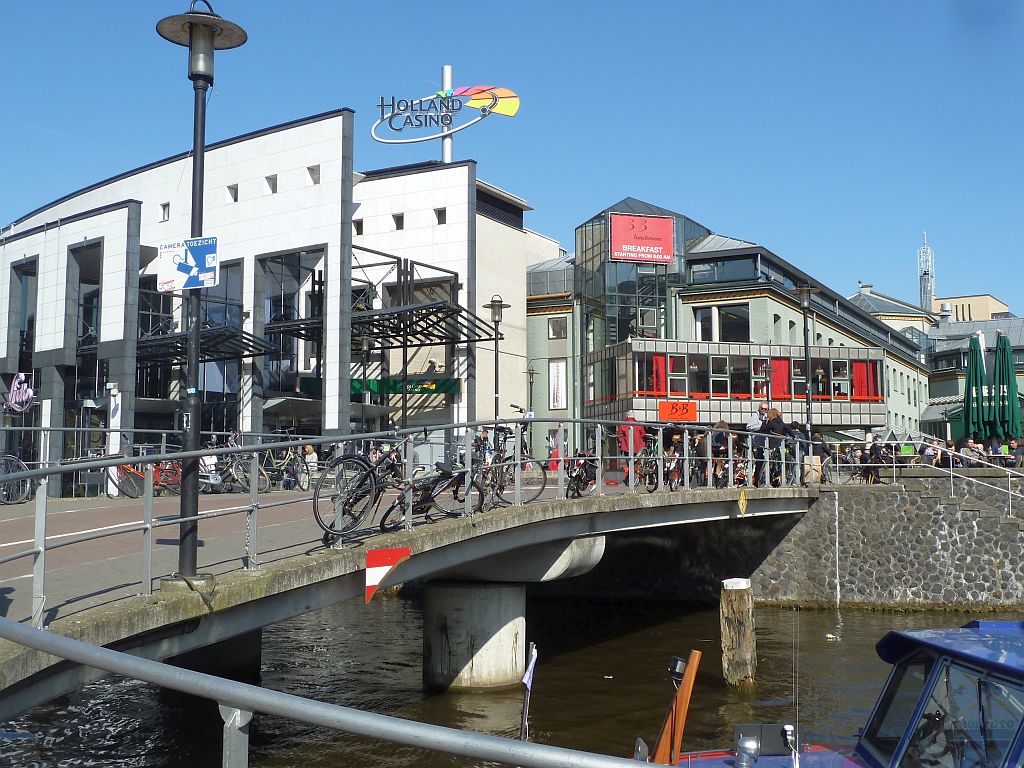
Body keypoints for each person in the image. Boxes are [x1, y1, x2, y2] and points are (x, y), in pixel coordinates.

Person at [616, 410, 647, 485]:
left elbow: (619, 436)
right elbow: (643, 435)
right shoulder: (638, 424)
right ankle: (633, 480)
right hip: (638, 447)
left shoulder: (623, 424)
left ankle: (631, 480)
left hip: (627, 447)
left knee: (630, 464)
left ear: (627, 416)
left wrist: (620, 445)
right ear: (634, 416)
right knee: (636, 464)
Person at [745, 403, 769, 487]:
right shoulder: (755, 416)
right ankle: (755, 481)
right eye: (762, 408)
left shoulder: (766, 417)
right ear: (759, 408)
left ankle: (760, 480)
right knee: (758, 462)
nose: (764, 410)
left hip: (764, 444)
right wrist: (761, 426)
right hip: (756, 443)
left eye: (766, 409)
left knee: (763, 462)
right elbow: (749, 427)